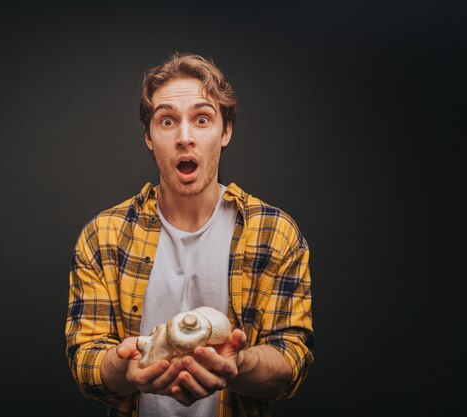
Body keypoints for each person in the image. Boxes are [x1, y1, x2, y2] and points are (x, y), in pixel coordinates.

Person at [65, 52, 314, 417]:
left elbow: (291, 357)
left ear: (225, 131)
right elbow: (85, 358)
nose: (185, 137)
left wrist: (237, 365)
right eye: (167, 121)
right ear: (149, 137)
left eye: (201, 119)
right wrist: (126, 367)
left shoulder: (275, 234)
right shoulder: (102, 236)